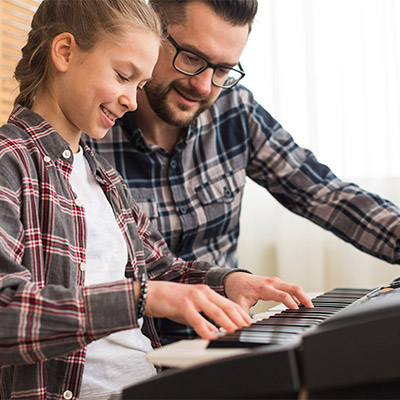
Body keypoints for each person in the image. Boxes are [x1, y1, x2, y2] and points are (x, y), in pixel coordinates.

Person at [0, 0, 313, 399]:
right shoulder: (10, 163)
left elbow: (159, 270)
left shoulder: (102, 174)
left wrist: (230, 280)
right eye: (122, 76)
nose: (132, 100)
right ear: (64, 51)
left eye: (140, 85)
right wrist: (140, 298)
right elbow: (6, 312)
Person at [86, 0, 400, 343]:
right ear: (152, 29)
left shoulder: (235, 109)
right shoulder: (87, 129)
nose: (204, 86)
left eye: (222, 71)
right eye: (191, 58)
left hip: (227, 342)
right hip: (135, 354)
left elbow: (324, 193)